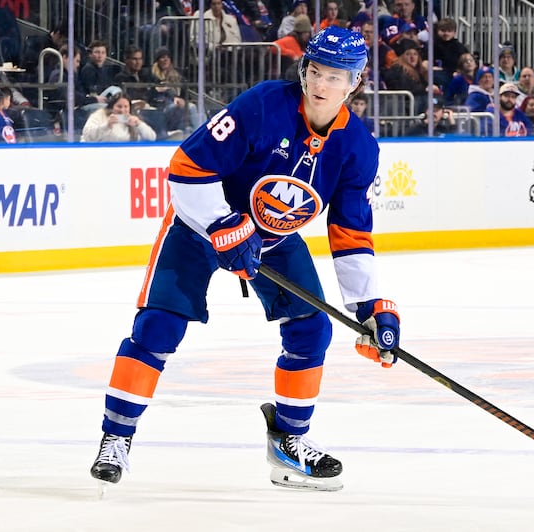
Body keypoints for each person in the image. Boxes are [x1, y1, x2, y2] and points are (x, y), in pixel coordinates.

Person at [88, 26, 401, 493]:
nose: (321, 84)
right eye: (315, 70)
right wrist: (219, 224)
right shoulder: (263, 105)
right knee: (159, 326)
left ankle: (289, 445)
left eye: (335, 76)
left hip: (273, 240)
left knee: (312, 329)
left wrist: (371, 307)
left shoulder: (358, 148)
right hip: (197, 229)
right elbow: (187, 168)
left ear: (354, 83)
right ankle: (116, 436)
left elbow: (351, 232)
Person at [150, 46, 200, 134]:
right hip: (161, 108)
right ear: (157, 60)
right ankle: (199, 135)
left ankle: (192, 132)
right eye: (162, 57)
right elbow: (151, 96)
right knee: (191, 107)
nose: (165, 60)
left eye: (167, 57)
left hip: (177, 106)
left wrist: (184, 101)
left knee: (198, 109)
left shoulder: (178, 76)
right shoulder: (152, 76)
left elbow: (185, 95)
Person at [81, 91, 157, 142]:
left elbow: (152, 138)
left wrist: (139, 124)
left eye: (126, 107)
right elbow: (87, 136)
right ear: (112, 106)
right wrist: (106, 126)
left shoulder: (133, 118)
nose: (122, 110)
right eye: (119, 106)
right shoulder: (100, 115)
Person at [78, 40, 121, 108]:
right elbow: (91, 91)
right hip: (91, 103)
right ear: (90, 54)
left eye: (103, 53)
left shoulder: (105, 69)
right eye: (97, 52)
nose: (100, 56)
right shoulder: (88, 69)